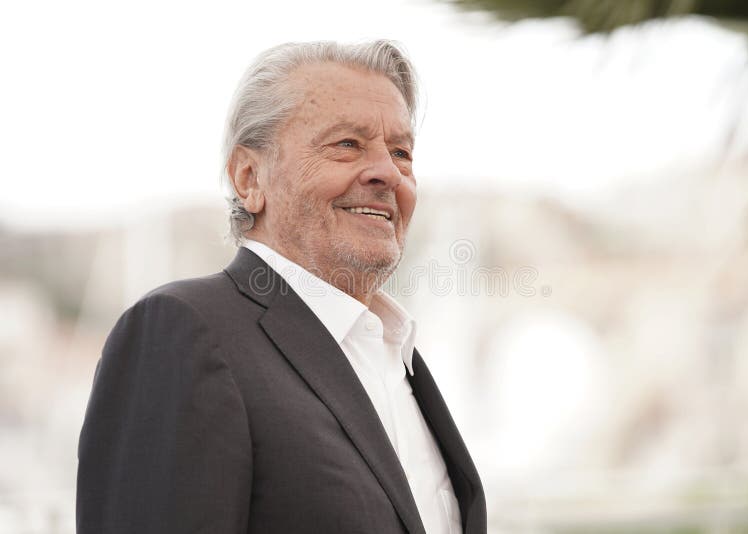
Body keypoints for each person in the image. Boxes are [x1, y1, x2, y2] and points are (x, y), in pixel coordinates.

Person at [77, 40, 486, 534]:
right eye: (347, 145)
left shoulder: (397, 358)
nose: (388, 173)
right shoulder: (181, 332)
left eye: (401, 152)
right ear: (249, 178)